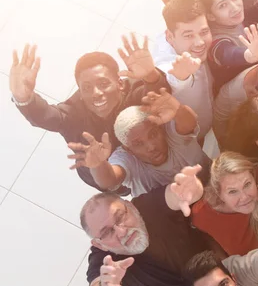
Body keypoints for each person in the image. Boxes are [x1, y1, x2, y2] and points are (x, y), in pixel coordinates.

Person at [10, 37, 169, 191]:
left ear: (120, 83)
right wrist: (24, 98)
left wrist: (150, 75)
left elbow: (157, 93)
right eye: (86, 88)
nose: (96, 93)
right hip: (108, 177)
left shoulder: (134, 91)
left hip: (159, 155)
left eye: (103, 83)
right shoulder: (73, 112)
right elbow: (47, 116)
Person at [81, 164, 222, 286]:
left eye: (120, 216)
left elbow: (174, 195)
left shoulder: (146, 206)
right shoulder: (105, 262)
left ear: (130, 205)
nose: (122, 231)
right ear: (99, 244)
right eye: (107, 232)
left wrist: (191, 190)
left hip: (216, 277)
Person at [67, 89, 209, 197]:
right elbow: (110, 181)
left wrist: (178, 110)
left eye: (153, 134)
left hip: (213, 182)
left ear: (160, 128)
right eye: (138, 144)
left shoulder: (169, 131)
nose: (151, 146)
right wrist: (98, 164)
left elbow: (189, 123)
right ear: (128, 150)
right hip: (176, 219)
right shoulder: (125, 158)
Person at [188, 152, 258, 256]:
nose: (244, 197)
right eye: (232, 191)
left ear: (253, 176)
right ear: (219, 194)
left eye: (247, 184)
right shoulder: (203, 214)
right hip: (255, 272)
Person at [151, 0, 215, 143]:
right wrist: (181, 77)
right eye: (188, 36)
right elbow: (166, 74)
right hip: (189, 140)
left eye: (204, 32)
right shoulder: (165, 61)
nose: (199, 42)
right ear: (170, 37)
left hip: (209, 123)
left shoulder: (183, 39)